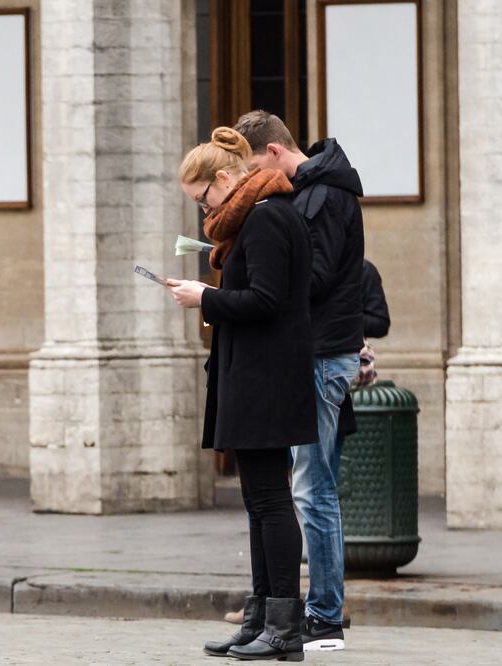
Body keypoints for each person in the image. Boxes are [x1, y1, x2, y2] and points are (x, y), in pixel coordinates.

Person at [168, 127, 315, 661]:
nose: (204, 210)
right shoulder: (253, 218)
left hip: (268, 378)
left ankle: (285, 628)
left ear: (226, 178)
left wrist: (206, 296)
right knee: (257, 501)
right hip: (252, 373)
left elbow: (268, 301)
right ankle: (260, 617)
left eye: (203, 197)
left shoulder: (269, 216)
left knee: (272, 502)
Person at [235, 110, 364, 652]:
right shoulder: (313, 194)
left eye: (248, 169)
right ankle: (311, 612)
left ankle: (324, 617)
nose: (247, 183)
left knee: (312, 490)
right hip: (315, 352)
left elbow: (313, 278)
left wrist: (257, 276)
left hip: (321, 353)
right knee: (309, 487)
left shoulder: (324, 195)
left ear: (271, 154)